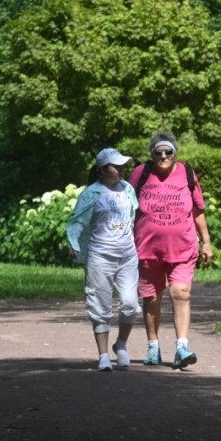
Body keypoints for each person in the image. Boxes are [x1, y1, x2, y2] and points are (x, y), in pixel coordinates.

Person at [131, 131, 213, 369]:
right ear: (152, 154)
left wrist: (206, 241)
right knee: (151, 298)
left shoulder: (187, 173)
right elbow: (127, 205)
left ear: (175, 153)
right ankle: (153, 347)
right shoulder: (140, 173)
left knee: (181, 292)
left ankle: (182, 347)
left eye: (169, 152)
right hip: (147, 249)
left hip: (183, 248)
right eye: (158, 152)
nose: (163, 156)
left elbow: (198, 210)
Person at [66, 148, 140, 372]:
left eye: (122, 165)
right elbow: (76, 221)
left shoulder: (127, 189)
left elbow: (133, 218)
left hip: (127, 255)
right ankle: (104, 355)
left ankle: (122, 345)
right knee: (100, 305)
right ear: (102, 169)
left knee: (129, 303)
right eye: (115, 165)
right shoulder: (92, 193)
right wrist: (74, 242)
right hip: (100, 256)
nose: (121, 169)